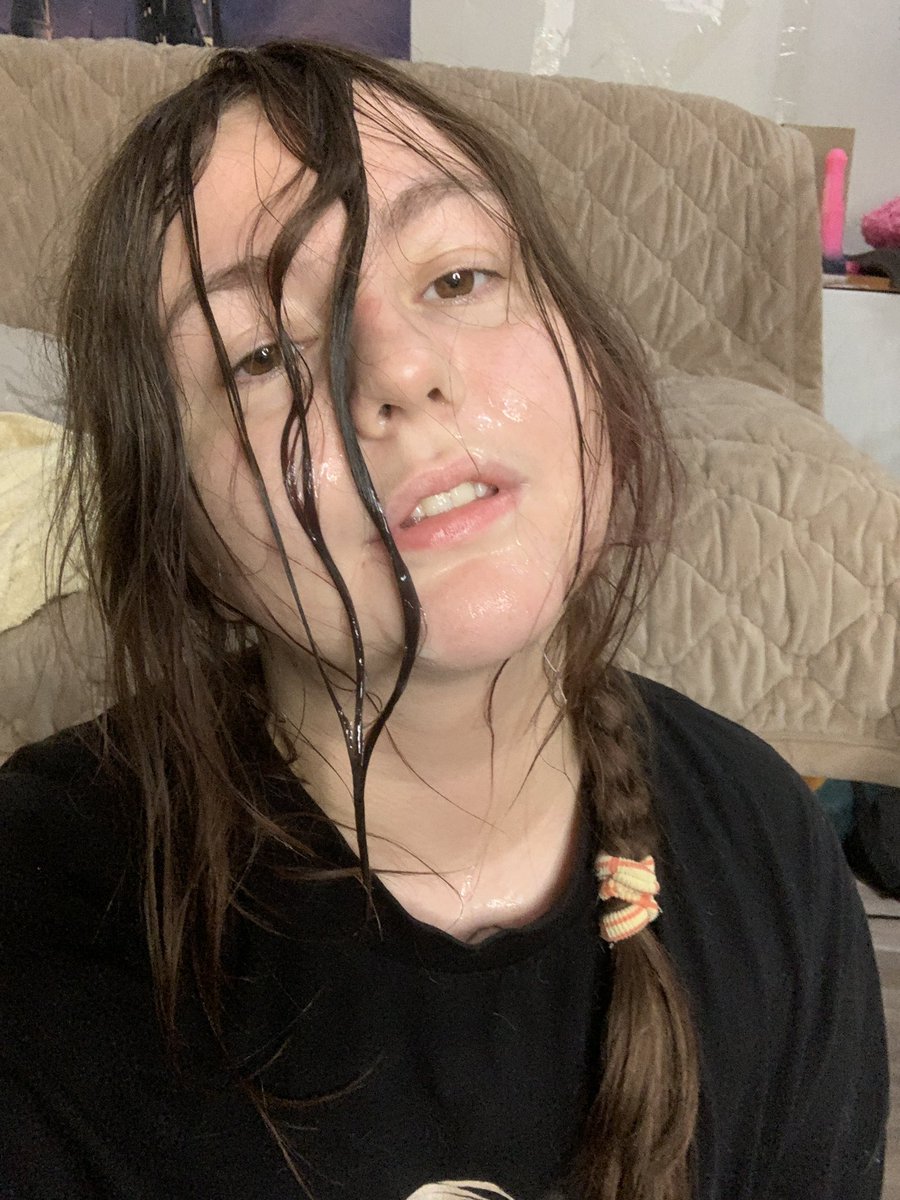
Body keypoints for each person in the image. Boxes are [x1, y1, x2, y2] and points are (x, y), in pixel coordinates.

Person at [0, 40, 888, 1200]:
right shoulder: (38, 914)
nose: (401, 369)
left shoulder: (769, 851)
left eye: (458, 279)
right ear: (178, 531)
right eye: (262, 353)